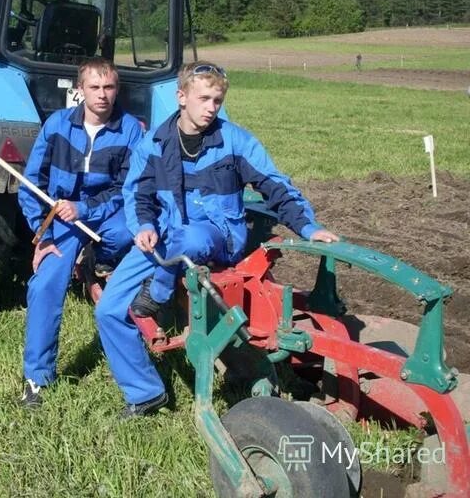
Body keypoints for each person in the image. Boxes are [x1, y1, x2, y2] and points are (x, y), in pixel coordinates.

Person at [95, 61, 339, 418]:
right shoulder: (155, 144)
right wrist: (144, 226)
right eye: (204, 98)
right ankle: (145, 393)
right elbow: (137, 194)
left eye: (218, 100)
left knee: (187, 237)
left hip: (216, 235)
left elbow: (274, 185)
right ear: (181, 97)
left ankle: (158, 295)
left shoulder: (235, 141)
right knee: (108, 310)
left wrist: (307, 227)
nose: (212, 108)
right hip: (162, 238)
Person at [18, 57, 144, 407]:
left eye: (109, 88)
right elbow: (31, 184)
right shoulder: (57, 125)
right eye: (94, 87)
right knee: (44, 284)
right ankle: (37, 379)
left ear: (116, 90)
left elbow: (126, 188)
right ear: (80, 90)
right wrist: (41, 236)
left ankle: (96, 260)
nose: (102, 95)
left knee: (124, 234)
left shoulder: (131, 129)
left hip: (106, 214)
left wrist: (86, 209)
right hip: (62, 220)